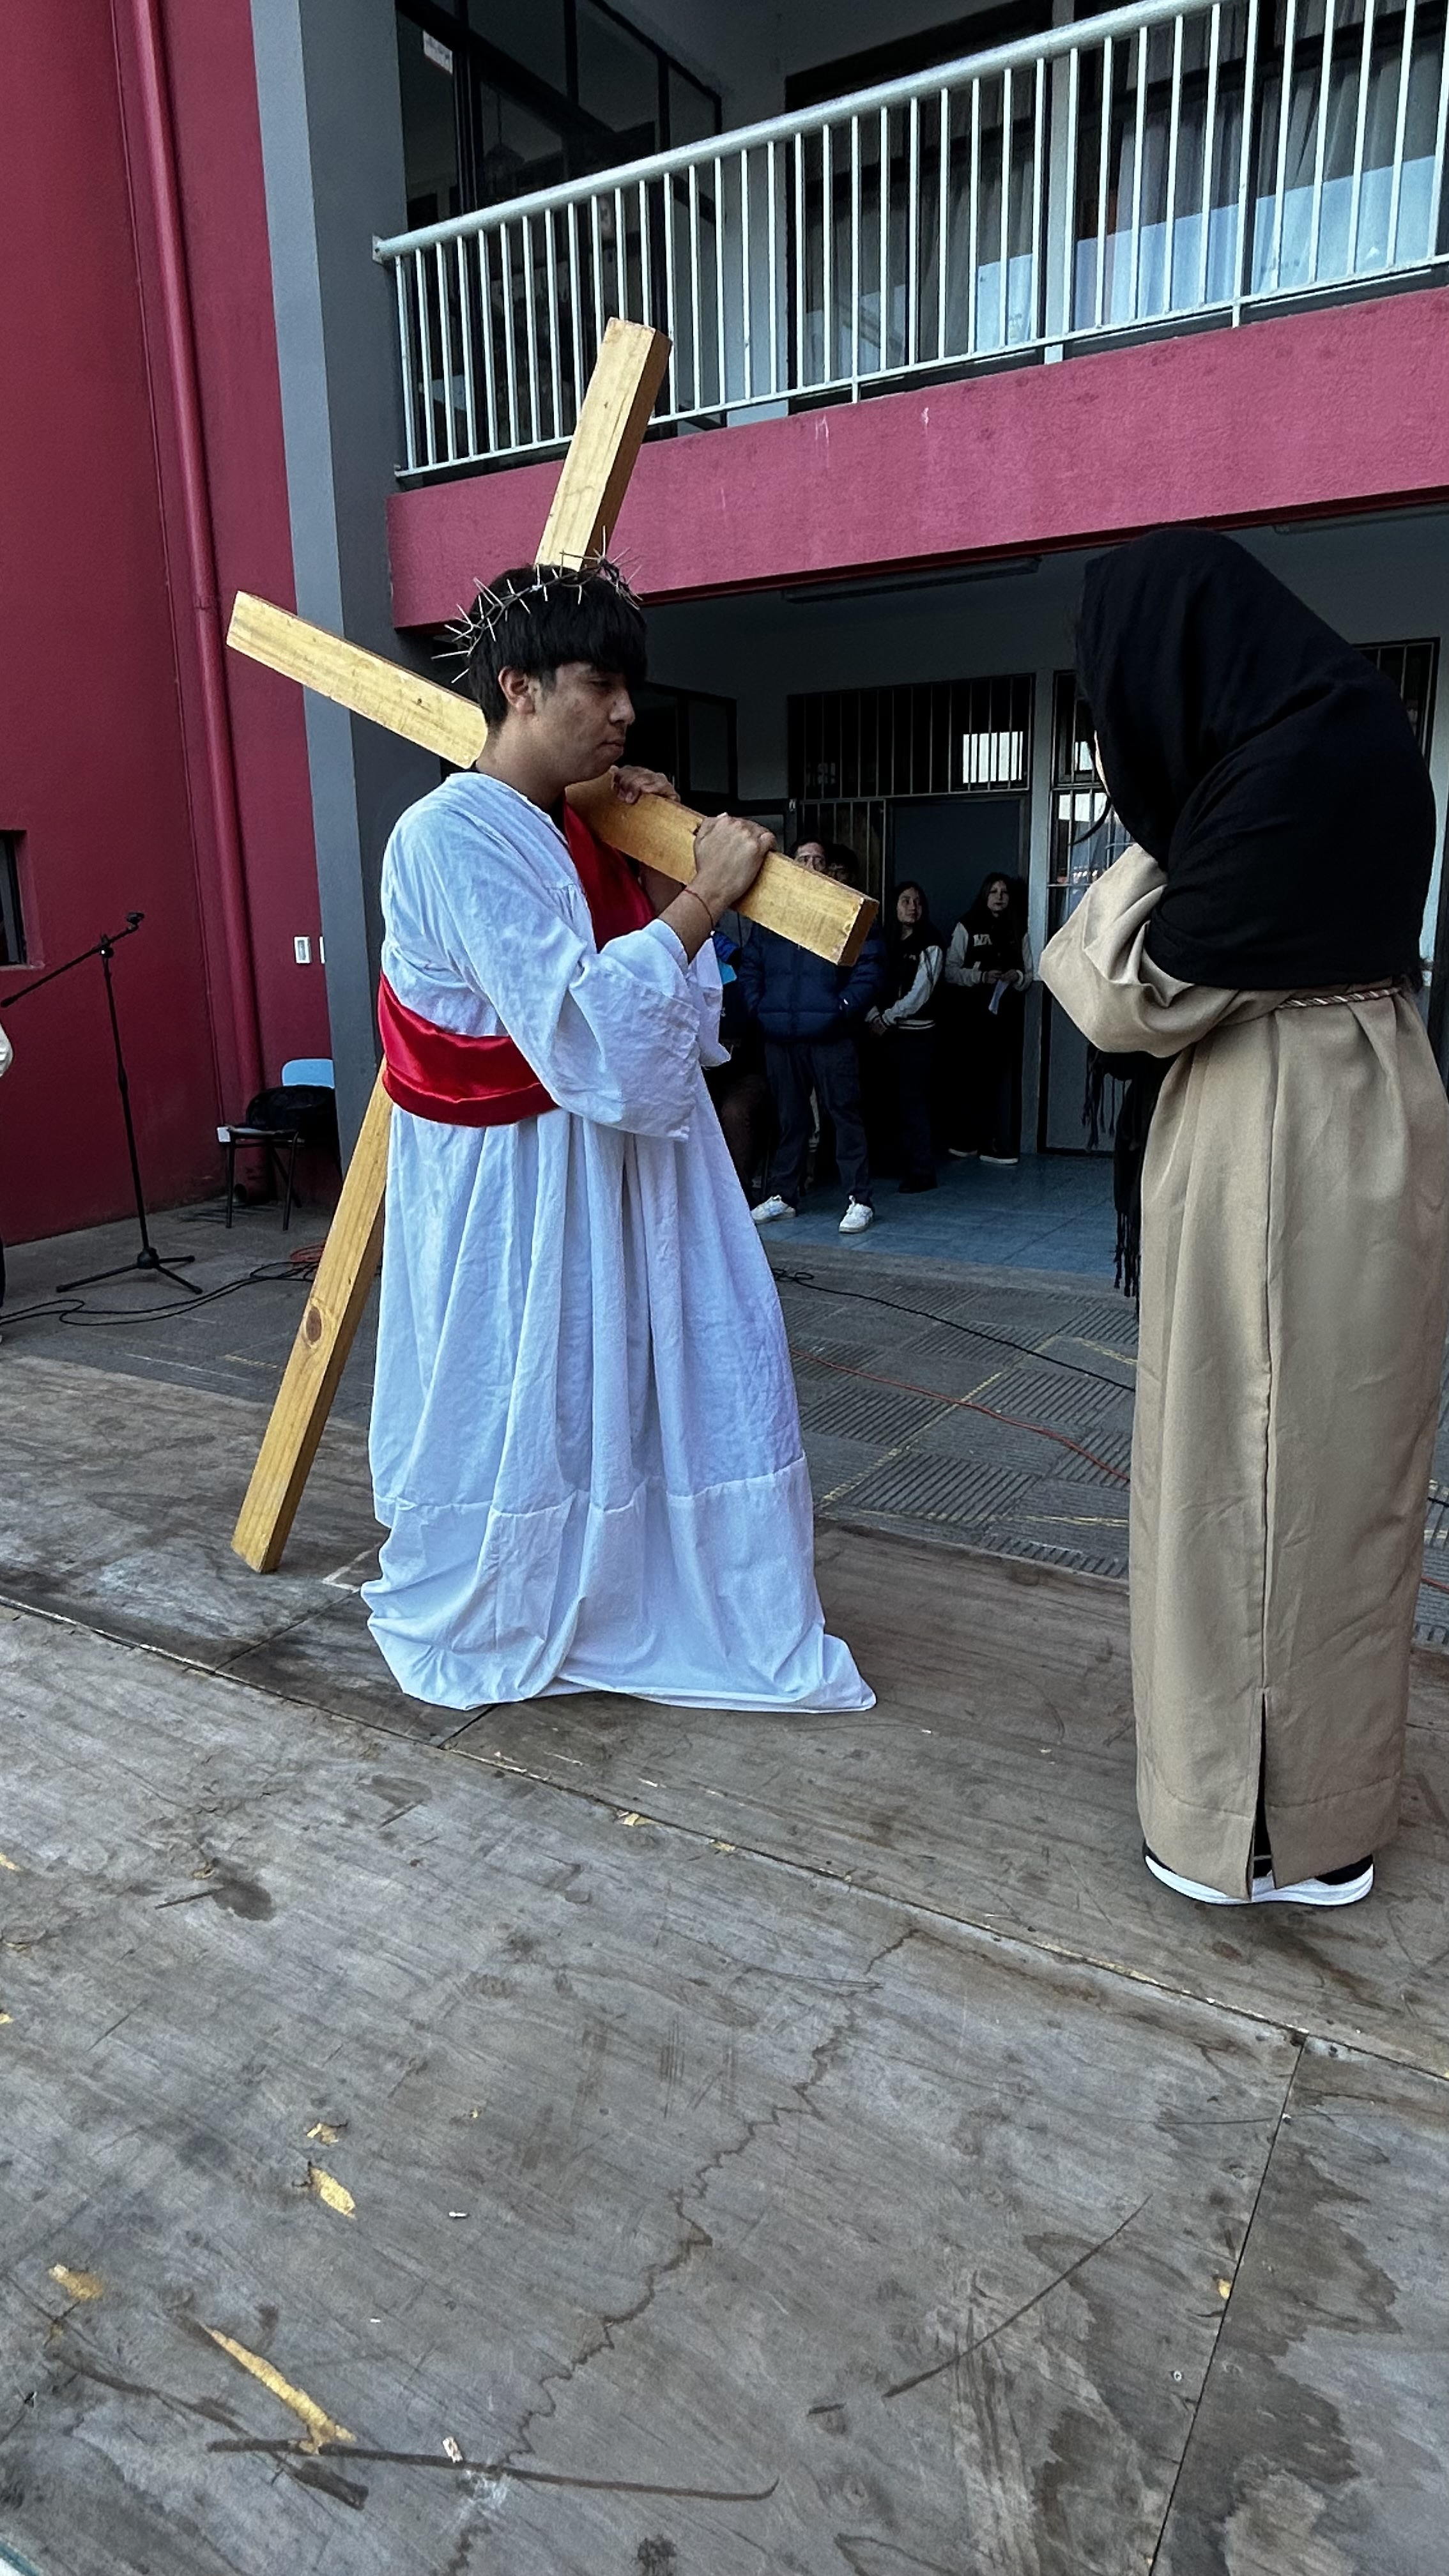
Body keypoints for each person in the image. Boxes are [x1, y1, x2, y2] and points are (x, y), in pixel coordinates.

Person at [363, 560, 873, 1716]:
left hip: (614, 1172)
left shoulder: (577, 826)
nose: (626, 712)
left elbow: (675, 1033)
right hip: (517, 1190)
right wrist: (704, 895)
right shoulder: (447, 838)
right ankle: (527, 1590)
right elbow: (586, 1028)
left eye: (627, 687)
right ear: (519, 687)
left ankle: (640, 1583)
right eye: (599, 684)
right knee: (531, 1385)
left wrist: (642, 852)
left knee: (641, 1380)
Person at [1041, 526, 1448, 1909]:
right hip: (1368, 1112)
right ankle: (1322, 1813)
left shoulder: (1281, 772)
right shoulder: (1357, 733)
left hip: (1277, 1132)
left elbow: (1117, 994)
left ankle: (1241, 1825)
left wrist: (1147, 853)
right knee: (1343, 1476)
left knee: (1240, 1472)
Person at [739, 837, 885, 1236]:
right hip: (781, 1033)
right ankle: (783, 1195)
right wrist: (759, 1007)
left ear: (828, 869)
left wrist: (842, 1008)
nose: (810, 866)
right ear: (791, 865)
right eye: (803, 859)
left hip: (831, 1033)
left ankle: (859, 1199)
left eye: (818, 861)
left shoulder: (847, 909)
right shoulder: (773, 912)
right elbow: (751, 966)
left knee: (845, 1115)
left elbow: (871, 967)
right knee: (790, 1118)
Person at [944, 871, 1032, 1163]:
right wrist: (980, 976)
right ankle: (966, 1140)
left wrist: (1015, 976)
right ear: (984, 895)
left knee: (996, 1081)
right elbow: (950, 971)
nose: (999, 897)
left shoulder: (1018, 928)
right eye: (993, 892)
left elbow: (1029, 974)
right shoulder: (967, 925)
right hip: (970, 1017)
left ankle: (991, 1143)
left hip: (1003, 1018)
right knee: (968, 1078)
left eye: (1004, 892)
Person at [866, 880, 944, 1193]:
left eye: (918, 902)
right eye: (906, 901)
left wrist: (888, 1018)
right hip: (883, 1035)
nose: (913, 907)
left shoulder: (931, 942)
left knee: (913, 1103)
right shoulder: (883, 942)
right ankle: (889, 1162)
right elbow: (868, 982)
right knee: (886, 1101)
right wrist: (873, 1016)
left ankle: (921, 1171)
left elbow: (921, 992)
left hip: (917, 1036)